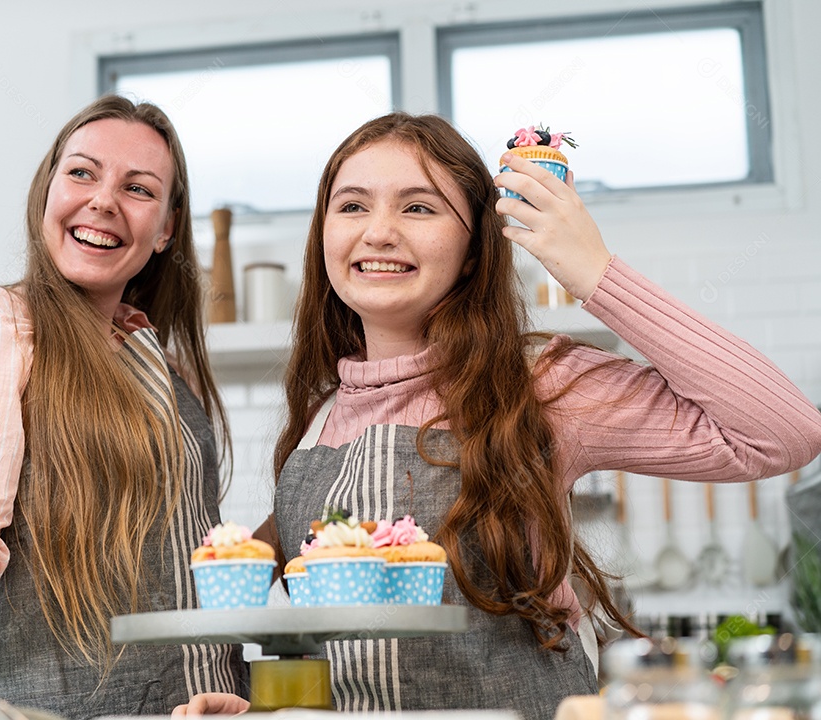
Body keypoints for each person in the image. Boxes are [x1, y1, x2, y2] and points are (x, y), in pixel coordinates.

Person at [173, 113, 821, 719]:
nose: (378, 232)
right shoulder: (319, 421)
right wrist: (258, 706)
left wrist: (595, 274)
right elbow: (318, 644)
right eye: (352, 206)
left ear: (473, 249)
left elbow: (782, 433)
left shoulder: (538, 384)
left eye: (418, 207)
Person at [0, 95, 247, 717]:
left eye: (138, 188)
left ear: (166, 229)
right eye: (82, 172)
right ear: (47, 193)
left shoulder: (162, 363)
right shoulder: (1, 328)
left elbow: (190, 567)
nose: (104, 200)